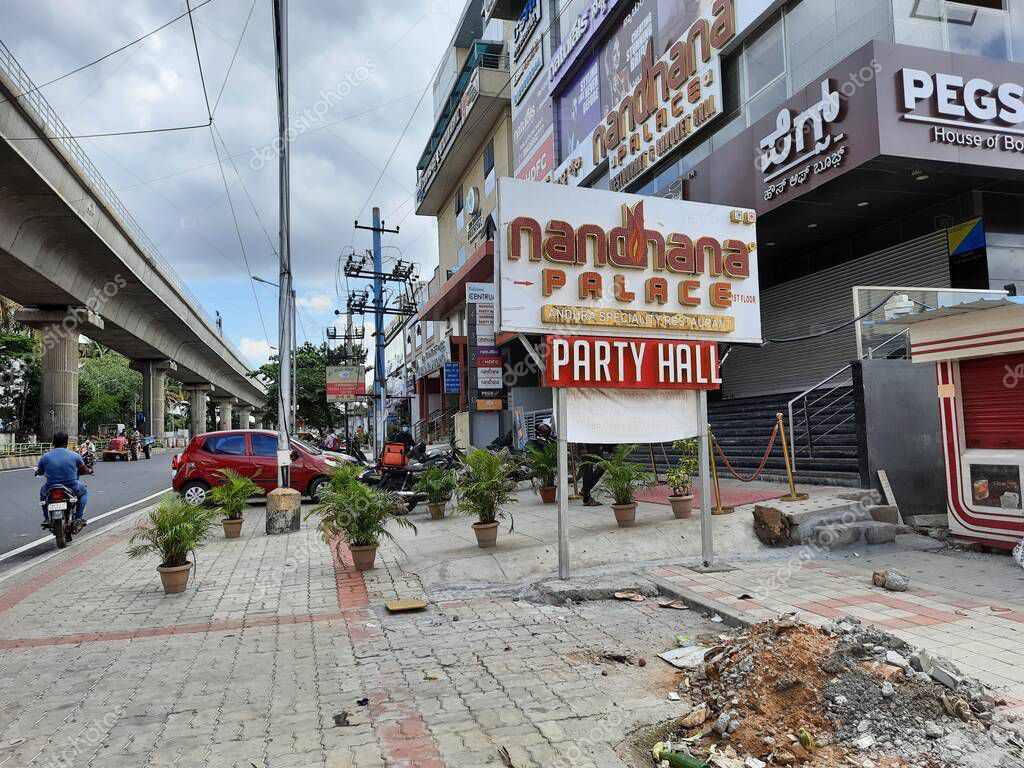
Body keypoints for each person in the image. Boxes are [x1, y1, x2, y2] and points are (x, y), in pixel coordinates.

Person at [36, 431, 92, 529]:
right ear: (66, 443)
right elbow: (84, 469)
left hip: (51, 486)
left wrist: (38, 472)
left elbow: (40, 471)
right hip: (72, 486)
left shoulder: (45, 456)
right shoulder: (75, 455)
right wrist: (89, 470)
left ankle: (46, 518)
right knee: (84, 492)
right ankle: (78, 518)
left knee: (43, 494)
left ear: (53, 442)